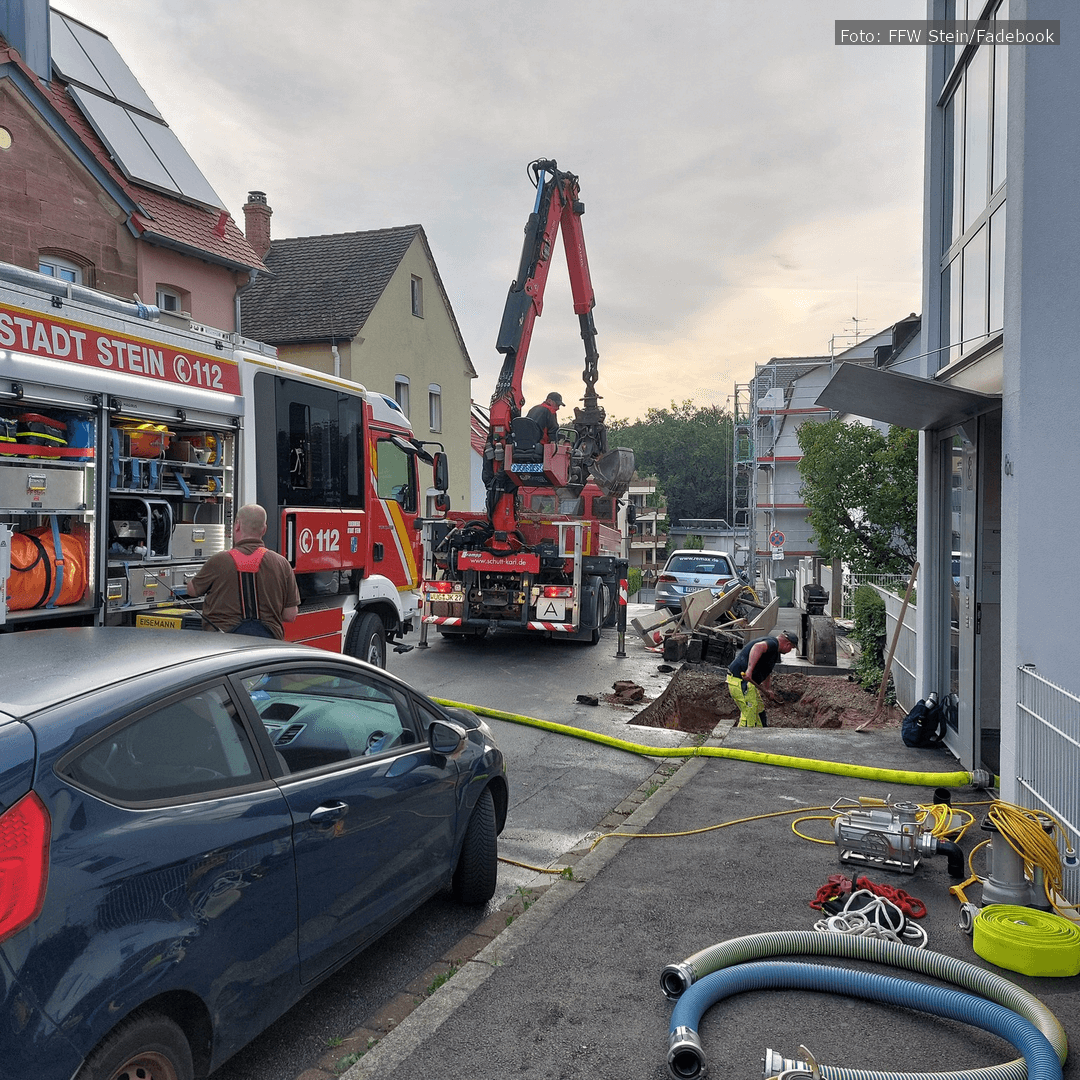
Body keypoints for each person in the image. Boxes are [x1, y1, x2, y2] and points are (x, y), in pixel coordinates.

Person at [188, 504, 300, 639]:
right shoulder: (282, 564)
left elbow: (192, 591)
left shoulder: (219, 560)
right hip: (268, 643)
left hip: (223, 643)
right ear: (264, 530)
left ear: (237, 525)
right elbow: (290, 615)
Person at [726, 630, 798, 727]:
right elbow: (757, 647)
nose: (790, 650)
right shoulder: (772, 643)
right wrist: (749, 670)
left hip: (748, 684)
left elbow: (766, 671)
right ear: (788, 644)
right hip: (740, 681)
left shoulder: (774, 652)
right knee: (749, 715)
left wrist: (767, 689)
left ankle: (759, 737)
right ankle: (744, 740)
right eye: (792, 648)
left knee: (759, 712)